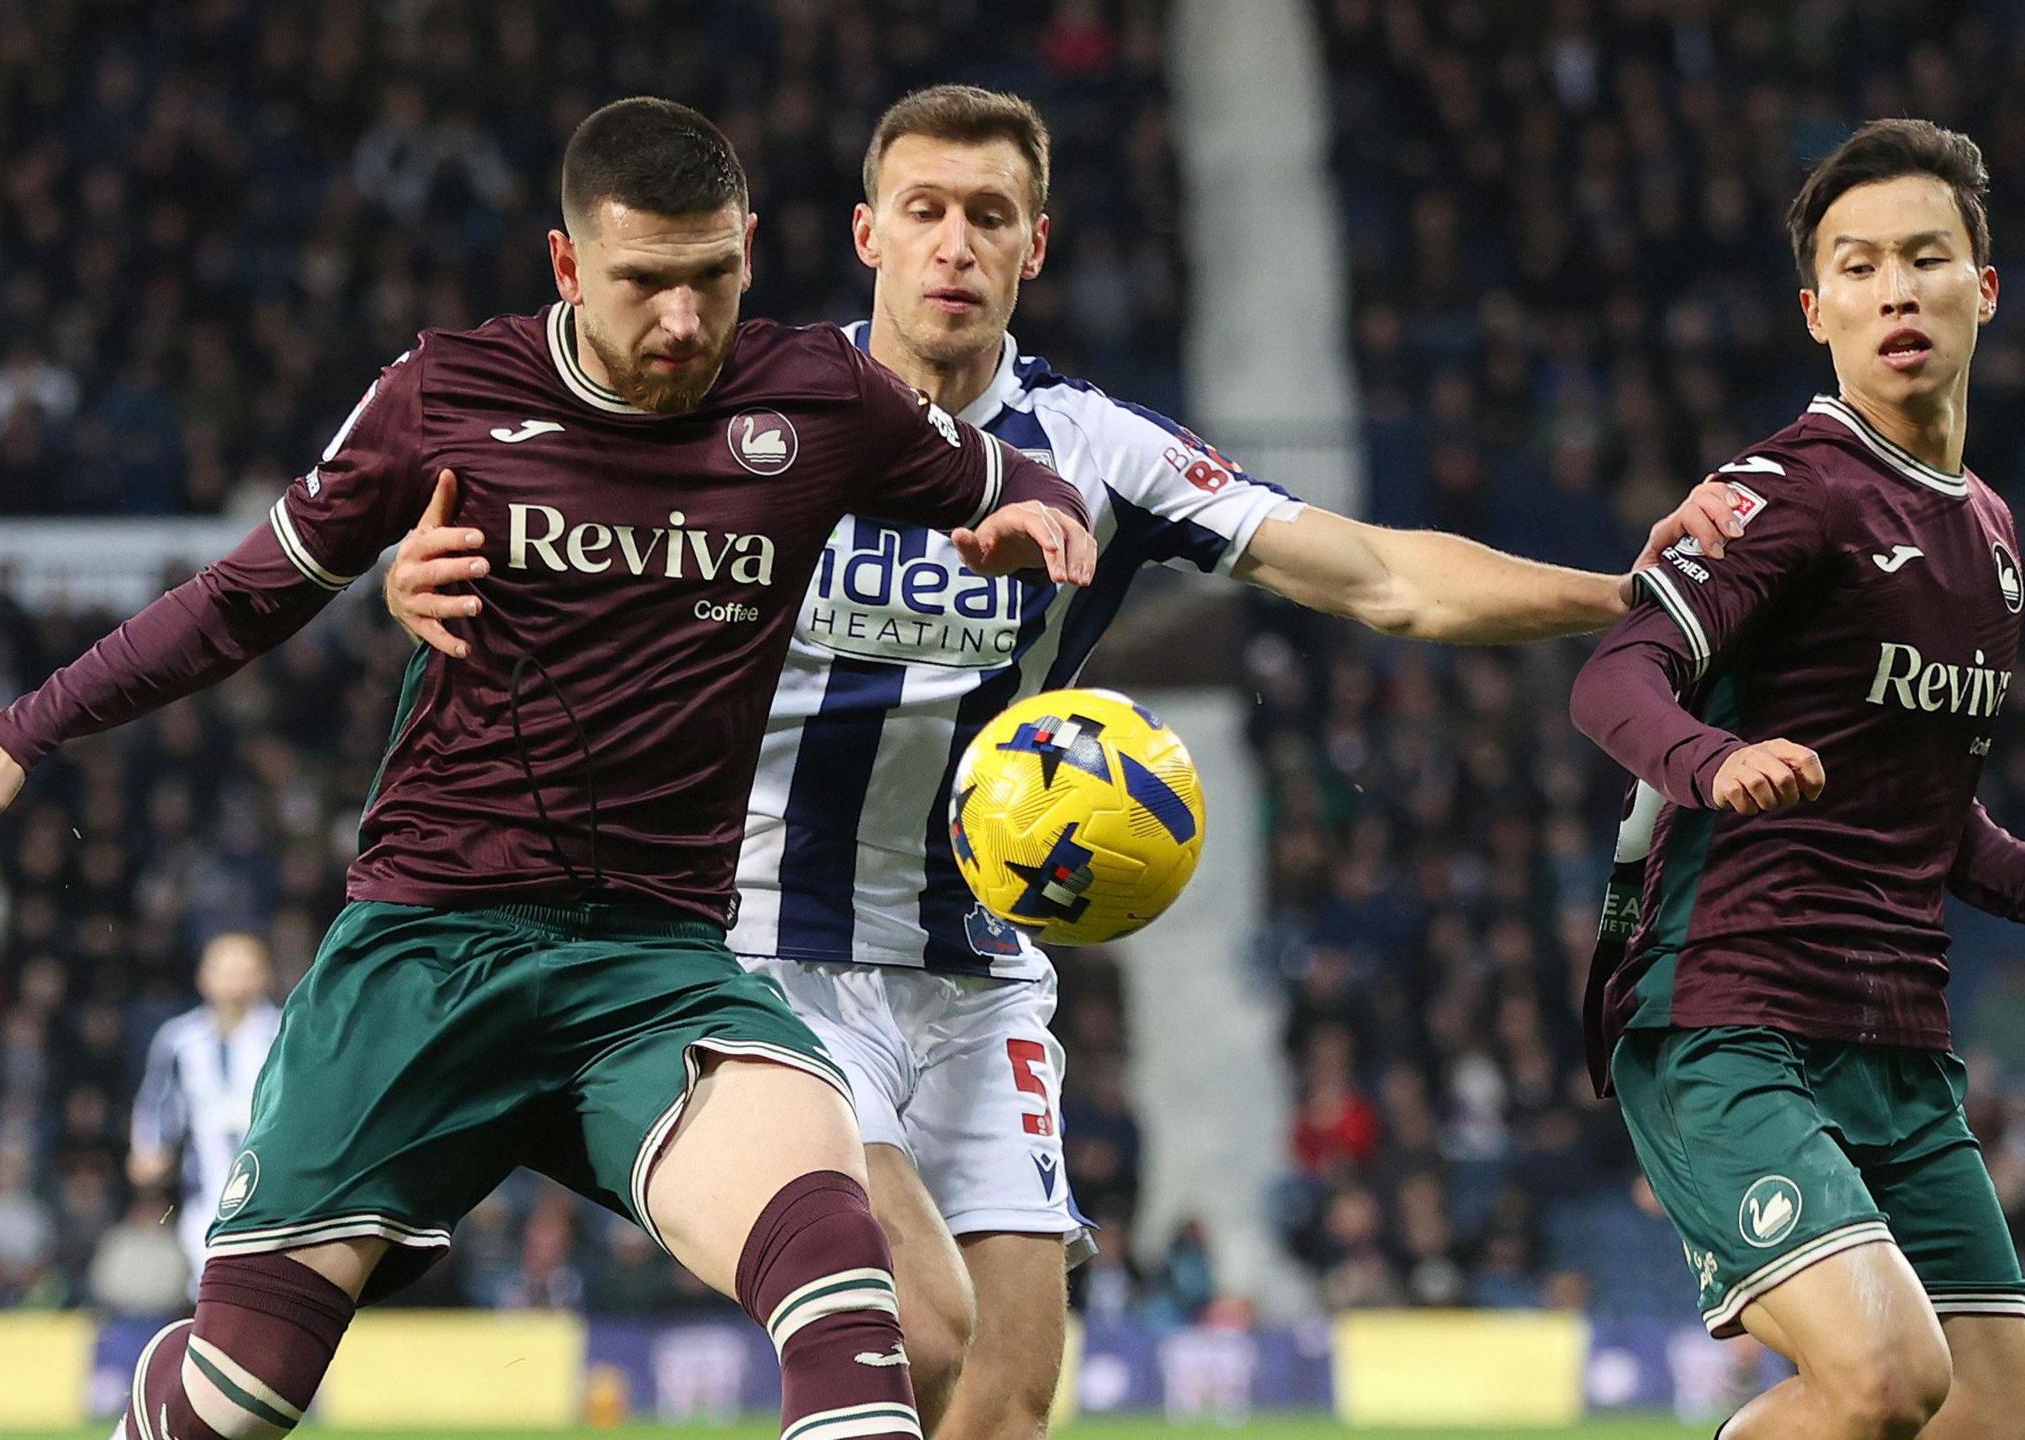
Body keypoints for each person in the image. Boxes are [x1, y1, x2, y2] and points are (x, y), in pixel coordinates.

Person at [386, 84, 1737, 1438]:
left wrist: (1626, 593)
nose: (955, 244)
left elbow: (1381, 575)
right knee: (913, 1327)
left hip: (976, 972)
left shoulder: (1098, 450)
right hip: (766, 958)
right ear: (868, 233)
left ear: (1038, 243)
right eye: (924, 212)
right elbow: (543, 494)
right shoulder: (751, 407)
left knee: (1009, 1401)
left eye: (991, 215)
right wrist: (415, 578)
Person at [0, 97, 1097, 1440]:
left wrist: (1040, 515)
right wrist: (17, 730)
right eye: (643, 286)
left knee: (849, 1289)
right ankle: (183, 1388)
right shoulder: (447, 393)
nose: (683, 324)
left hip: (656, 967)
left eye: (712, 280)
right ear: (567, 267)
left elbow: (1024, 478)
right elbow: (241, 597)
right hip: (430, 950)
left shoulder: (816, 397)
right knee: (238, 1400)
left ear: (752, 247)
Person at [1574, 118, 2025, 1440]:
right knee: (1887, 1380)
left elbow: (1939, 831)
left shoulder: (1992, 538)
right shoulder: (1790, 491)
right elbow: (1616, 675)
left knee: (1992, 1418)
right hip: (1729, 1016)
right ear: (1815, 308)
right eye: (1861, 265)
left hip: (1899, 1044)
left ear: (1982, 290)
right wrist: (1717, 762)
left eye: (1926, 259)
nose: (1896, 289)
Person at [130, 933, 283, 1283]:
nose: (236, 981)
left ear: (265, 976)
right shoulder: (180, 1039)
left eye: (246, 970)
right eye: (226, 970)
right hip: (204, 1196)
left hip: (275, 1196)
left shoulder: (284, 1033)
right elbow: (156, 1102)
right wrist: (148, 1149)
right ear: (204, 976)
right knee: (208, 1290)